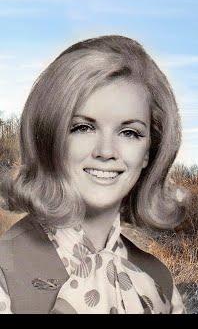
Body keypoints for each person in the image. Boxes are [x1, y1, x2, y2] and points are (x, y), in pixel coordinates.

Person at [0, 35, 188, 314]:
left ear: (149, 151)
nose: (106, 151)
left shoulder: (159, 279)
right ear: (50, 138)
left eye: (129, 132)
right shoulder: (5, 267)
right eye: (83, 127)